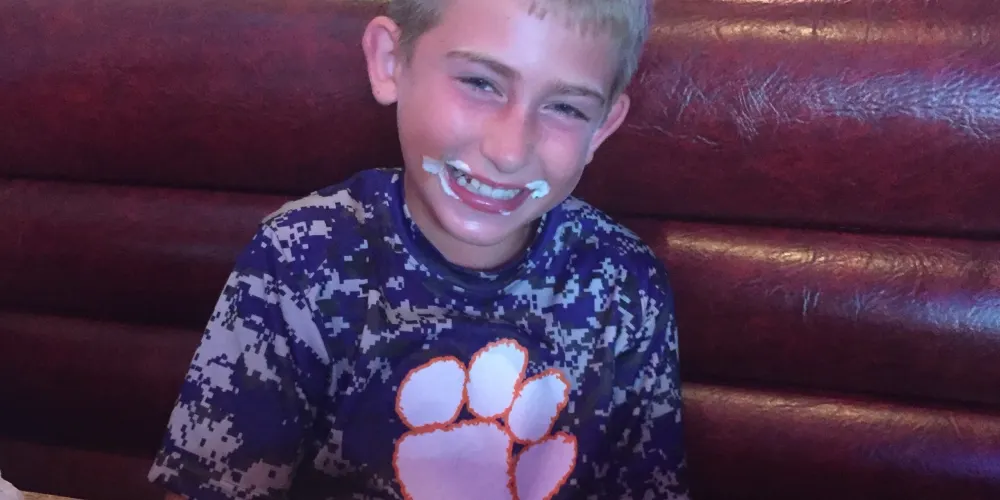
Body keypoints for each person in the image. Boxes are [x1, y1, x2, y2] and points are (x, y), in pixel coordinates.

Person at [149, 0, 691, 498]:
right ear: (391, 62)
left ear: (602, 128)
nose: (509, 151)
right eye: (480, 82)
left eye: (566, 109)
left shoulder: (626, 285)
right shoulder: (300, 254)